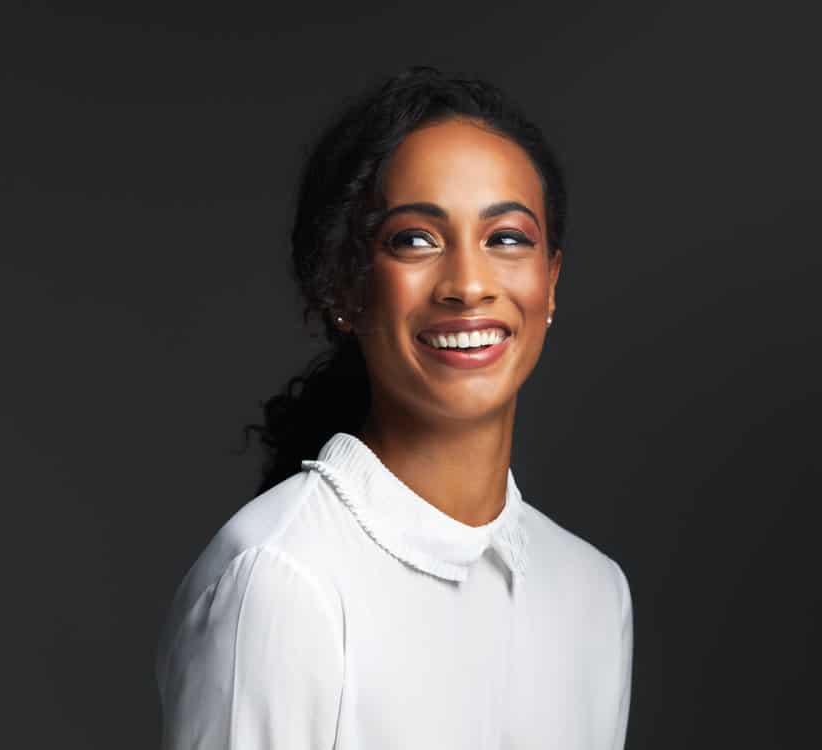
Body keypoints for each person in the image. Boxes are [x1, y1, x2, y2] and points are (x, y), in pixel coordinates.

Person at [155, 66, 633, 749]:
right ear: (345, 285)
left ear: (550, 282)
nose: (468, 285)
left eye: (506, 238)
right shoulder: (280, 583)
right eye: (415, 239)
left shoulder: (593, 593)